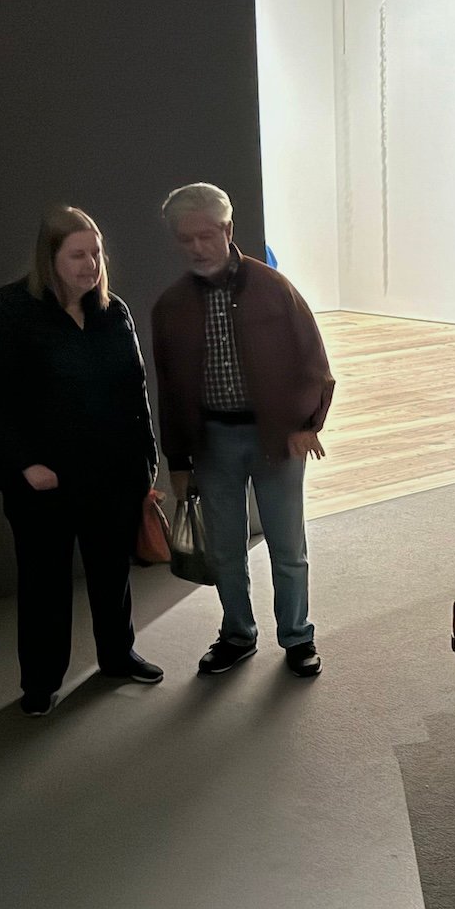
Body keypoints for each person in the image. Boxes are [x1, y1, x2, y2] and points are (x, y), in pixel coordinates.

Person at [0, 206, 163, 717]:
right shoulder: (9, 311)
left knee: (110, 573)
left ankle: (118, 656)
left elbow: (134, 391)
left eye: (95, 252)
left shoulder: (111, 311)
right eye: (77, 254)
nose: (90, 264)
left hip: (111, 474)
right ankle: (41, 681)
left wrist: (147, 461)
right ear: (49, 258)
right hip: (43, 483)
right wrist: (26, 463)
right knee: (44, 582)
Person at [150, 183, 334, 678]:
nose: (196, 248)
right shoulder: (171, 307)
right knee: (227, 547)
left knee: (286, 545)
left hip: (276, 439)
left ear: (229, 230)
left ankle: (297, 636)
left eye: (206, 236)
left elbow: (314, 363)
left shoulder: (275, 288)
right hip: (212, 443)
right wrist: (180, 463)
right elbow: (168, 391)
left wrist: (305, 424)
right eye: (185, 239)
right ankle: (237, 634)